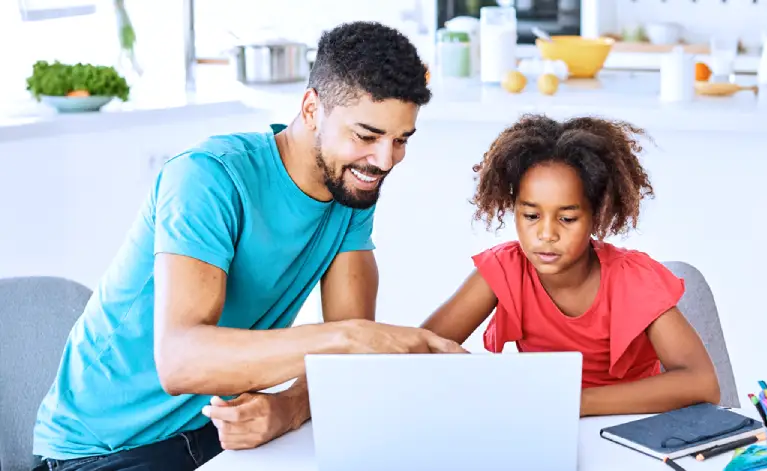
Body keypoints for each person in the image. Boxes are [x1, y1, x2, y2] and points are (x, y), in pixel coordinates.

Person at [32, 21, 465, 471]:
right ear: (312, 108)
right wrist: (351, 338)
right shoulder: (208, 177)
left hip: (214, 432)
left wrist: (289, 408)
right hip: (100, 450)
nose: (384, 160)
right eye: (367, 135)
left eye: (400, 141)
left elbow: (346, 370)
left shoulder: (351, 189)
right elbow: (180, 362)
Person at [421, 114, 721, 417]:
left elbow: (702, 382)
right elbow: (418, 355)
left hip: (631, 431)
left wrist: (574, 402)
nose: (547, 234)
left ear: (597, 214)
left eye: (566, 219)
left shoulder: (633, 280)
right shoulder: (503, 270)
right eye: (531, 216)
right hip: (545, 426)